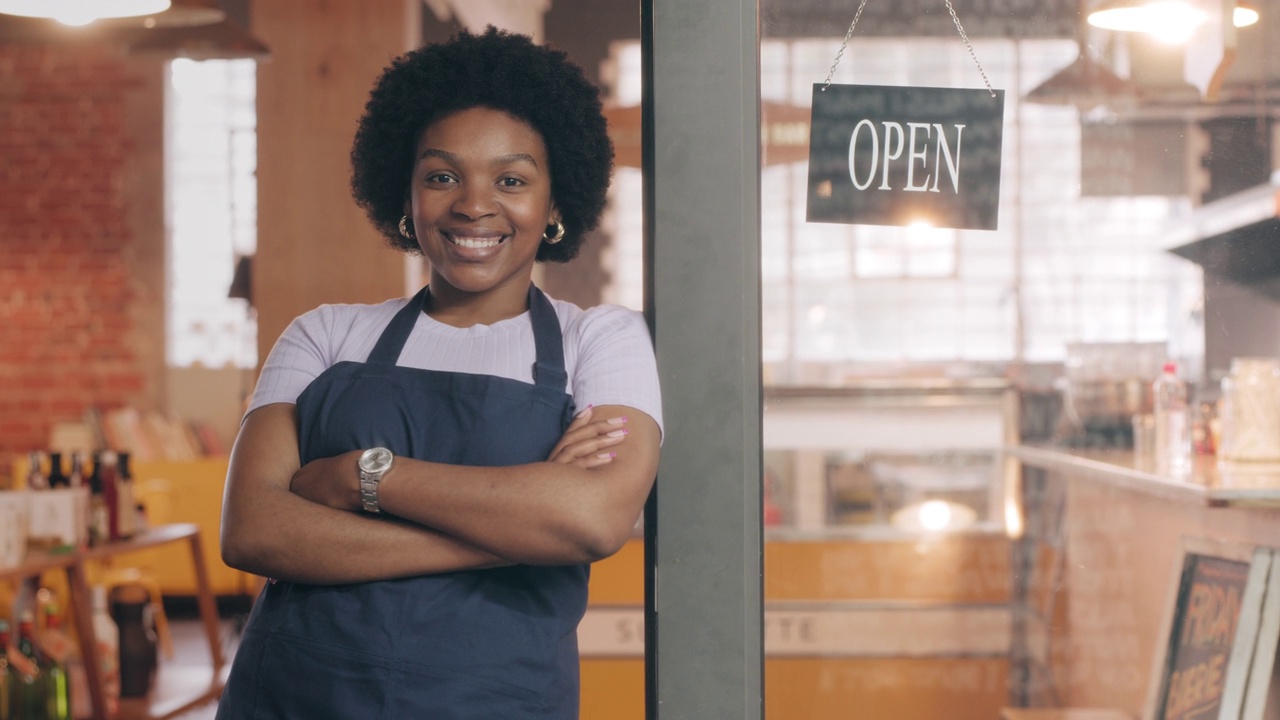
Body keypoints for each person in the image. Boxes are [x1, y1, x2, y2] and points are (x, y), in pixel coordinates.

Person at [215, 27, 662, 719]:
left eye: (511, 179)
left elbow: (594, 519)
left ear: (553, 204)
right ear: (406, 192)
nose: (473, 204)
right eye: (441, 175)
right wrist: (512, 538)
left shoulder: (601, 339)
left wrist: (363, 475)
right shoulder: (324, 333)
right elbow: (253, 530)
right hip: (295, 698)